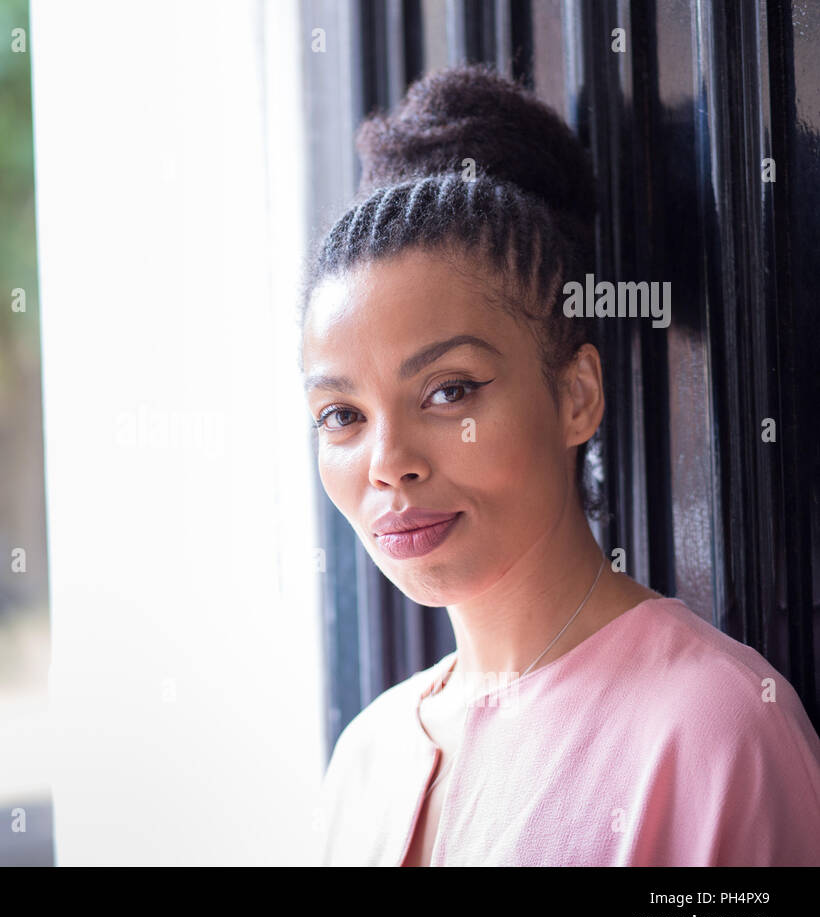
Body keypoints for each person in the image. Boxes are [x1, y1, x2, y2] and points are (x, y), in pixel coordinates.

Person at [302, 64, 820, 866]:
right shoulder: (364, 758)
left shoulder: (714, 732)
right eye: (342, 416)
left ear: (576, 396)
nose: (389, 463)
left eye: (449, 392)